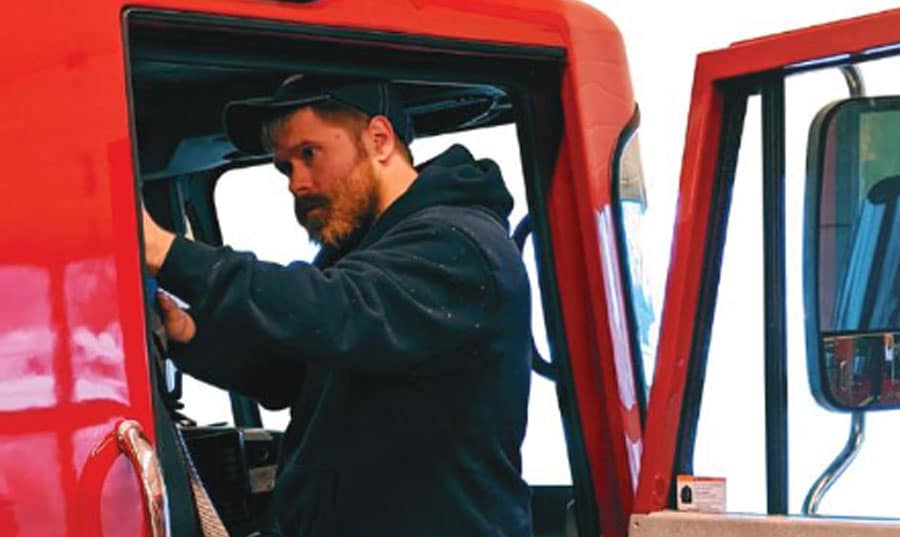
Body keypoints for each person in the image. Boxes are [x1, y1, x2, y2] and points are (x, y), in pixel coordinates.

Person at [141, 75, 533, 537]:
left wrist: (167, 252)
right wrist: (190, 335)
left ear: (379, 139)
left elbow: (334, 310)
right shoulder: (366, 253)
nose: (297, 184)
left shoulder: (458, 245)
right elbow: (295, 371)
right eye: (285, 168)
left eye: (309, 154)